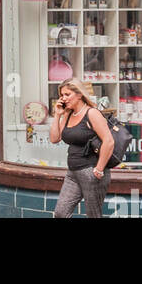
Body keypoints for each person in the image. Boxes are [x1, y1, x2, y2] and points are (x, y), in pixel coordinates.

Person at [49, 79, 114, 218]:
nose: (64, 98)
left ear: (79, 94)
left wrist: (99, 169)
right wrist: (58, 114)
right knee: (61, 213)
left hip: (91, 172)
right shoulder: (68, 114)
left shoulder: (92, 113)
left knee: (93, 215)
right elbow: (55, 138)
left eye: (67, 94)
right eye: (62, 95)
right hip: (73, 173)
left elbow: (109, 141)